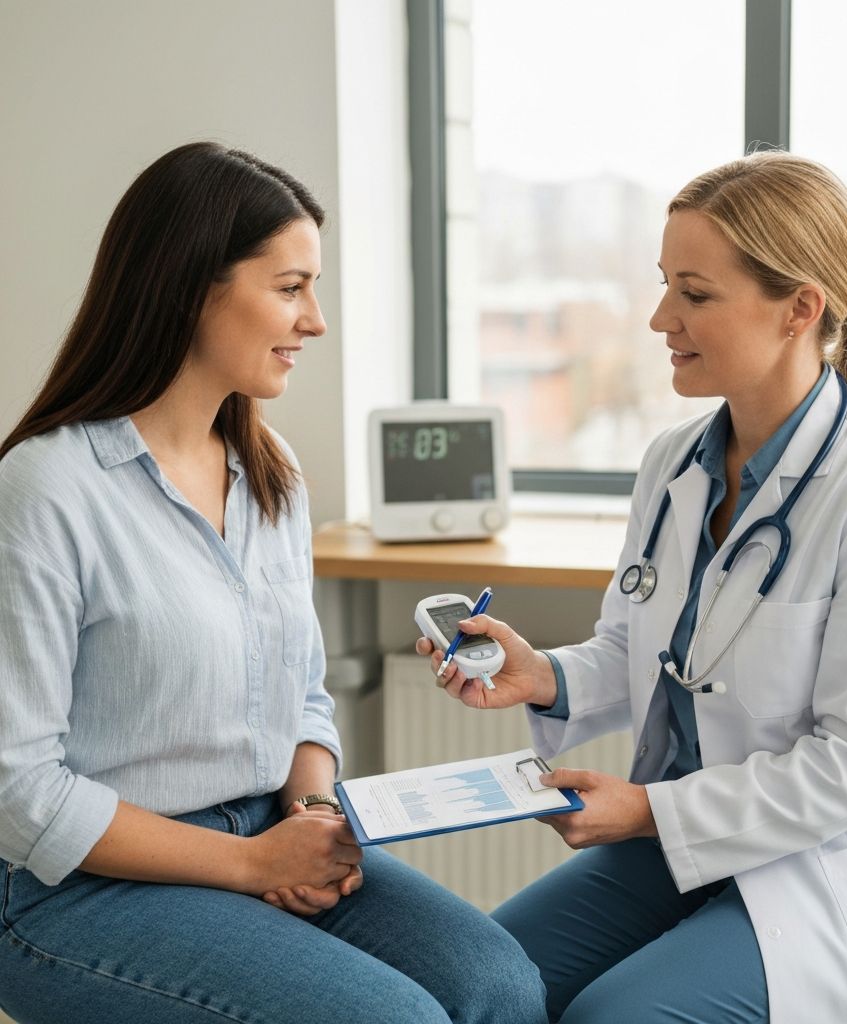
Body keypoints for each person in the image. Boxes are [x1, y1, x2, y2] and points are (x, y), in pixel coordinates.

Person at [418, 152, 847, 1023]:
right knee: (469, 988)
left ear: (800, 308)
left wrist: (649, 808)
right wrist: (542, 673)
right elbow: (639, 647)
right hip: (681, 839)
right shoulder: (673, 464)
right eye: (664, 285)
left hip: (836, 866)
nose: (660, 317)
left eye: (694, 294)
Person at [0, 142, 546, 1024]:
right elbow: (19, 793)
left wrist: (311, 817)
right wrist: (255, 865)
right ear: (189, 287)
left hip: (265, 826)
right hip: (79, 889)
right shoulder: (47, 488)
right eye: (290, 288)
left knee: (501, 989)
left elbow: (300, 696)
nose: (316, 320)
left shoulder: (269, 472)